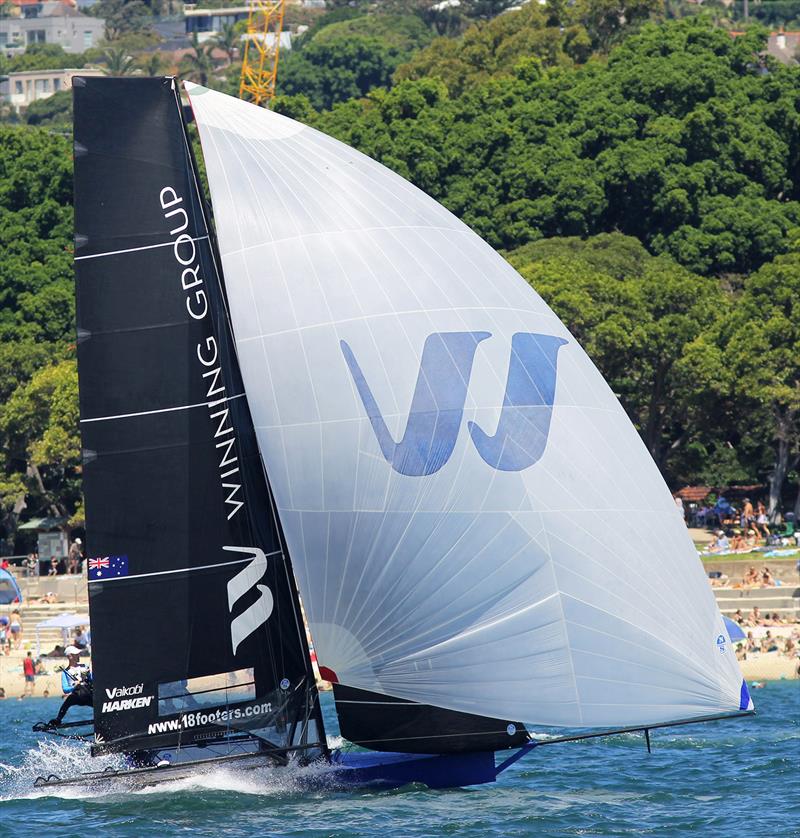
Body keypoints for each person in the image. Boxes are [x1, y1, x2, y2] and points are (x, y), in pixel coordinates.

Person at [49, 646, 93, 727]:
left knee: (96, 699)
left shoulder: (85, 666)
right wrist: (74, 686)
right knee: (68, 700)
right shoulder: (65, 672)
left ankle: (104, 714)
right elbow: (65, 690)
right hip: (77, 696)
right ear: (70, 656)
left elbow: (93, 681)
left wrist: (89, 676)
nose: (79, 655)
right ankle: (58, 720)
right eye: (76, 654)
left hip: (88, 695)